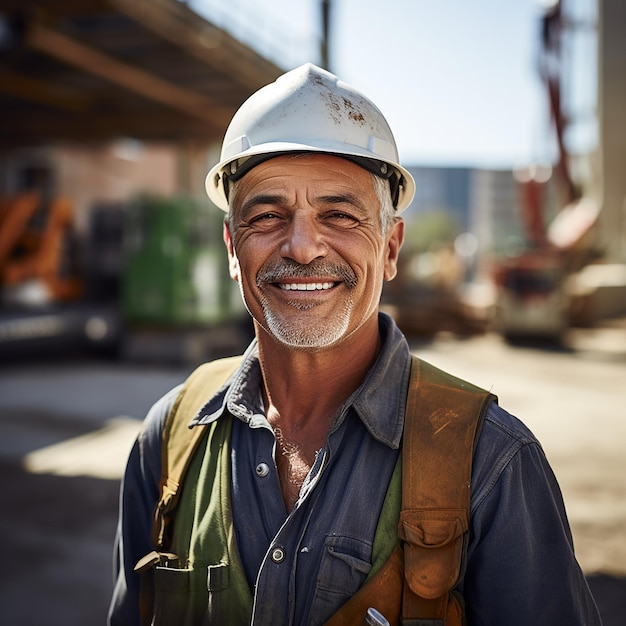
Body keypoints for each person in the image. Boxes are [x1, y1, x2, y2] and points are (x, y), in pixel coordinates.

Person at [108, 64, 601, 626]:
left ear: (391, 247)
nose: (301, 247)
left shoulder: (489, 460)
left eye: (339, 215)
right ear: (230, 246)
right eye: (267, 216)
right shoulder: (172, 437)